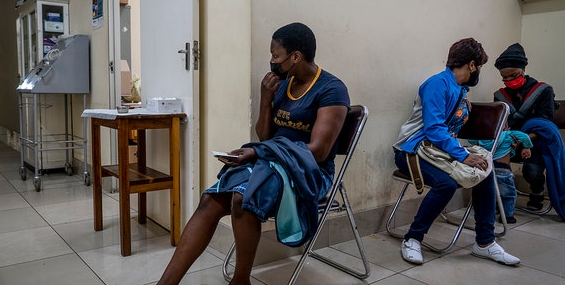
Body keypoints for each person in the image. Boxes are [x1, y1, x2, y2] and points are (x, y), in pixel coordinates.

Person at [157, 22, 350, 285]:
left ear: (296, 57)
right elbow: (266, 137)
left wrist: (255, 152)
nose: (272, 61)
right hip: (271, 162)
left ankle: (240, 280)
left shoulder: (331, 89)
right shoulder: (283, 84)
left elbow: (317, 152)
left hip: (309, 172)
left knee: (242, 198)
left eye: (276, 55)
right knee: (209, 202)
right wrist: (265, 99)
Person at [393, 38, 520, 266]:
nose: (479, 70)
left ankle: (484, 243)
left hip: (437, 152)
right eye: (479, 66)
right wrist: (463, 155)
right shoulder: (437, 84)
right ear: (471, 65)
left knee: (484, 168)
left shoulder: (459, 89)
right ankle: (413, 238)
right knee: (447, 184)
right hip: (412, 151)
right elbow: (434, 130)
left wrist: (463, 106)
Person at [493, 43, 565, 220]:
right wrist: (508, 136)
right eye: (505, 77)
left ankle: (537, 192)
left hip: (536, 142)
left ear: (523, 70)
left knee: (532, 171)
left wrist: (524, 141)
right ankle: (503, 202)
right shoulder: (500, 95)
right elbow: (500, 121)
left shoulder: (543, 91)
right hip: (510, 141)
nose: (510, 80)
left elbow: (545, 124)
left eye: (514, 75)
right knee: (499, 167)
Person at [470, 127, 533, 224]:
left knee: (490, 193)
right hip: (503, 169)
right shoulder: (509, 135)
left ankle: (491, 212)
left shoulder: (482, 137)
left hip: (487, 169)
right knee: (508, 194)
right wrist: (526, 147)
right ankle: (508, 216)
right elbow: (525, 137)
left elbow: (470, 139)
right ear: (505, 126)